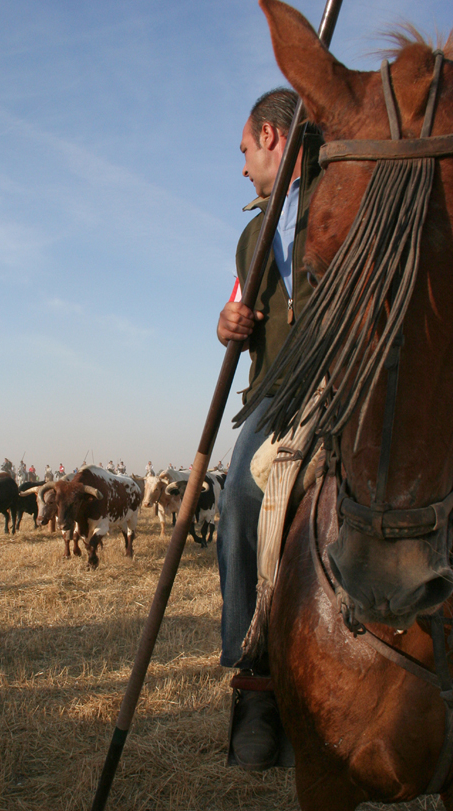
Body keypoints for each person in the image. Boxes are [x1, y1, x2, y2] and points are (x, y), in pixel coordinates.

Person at [216, 88, 322, 771]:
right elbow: (236, 310)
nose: (242, 165)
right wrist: (227, 325)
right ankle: (255, 683)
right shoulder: (252, 235)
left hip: (349, 377)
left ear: (271, 138)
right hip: (275, 389)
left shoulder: (340, 190)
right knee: (237, 503)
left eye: (245, 150)